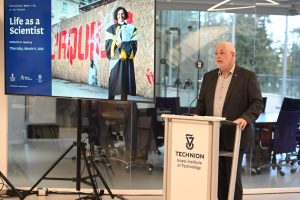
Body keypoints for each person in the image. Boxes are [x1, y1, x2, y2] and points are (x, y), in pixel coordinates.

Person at [196, 41, 263, 200]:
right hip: (212, 136)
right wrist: (196, 118)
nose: (218, 56)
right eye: (216, 53)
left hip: (235, 135)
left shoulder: (247, 77)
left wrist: (245, 118)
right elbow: (202, 103)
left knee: (232, 180)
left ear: (233, 55)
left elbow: (257, 102)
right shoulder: (209, 77)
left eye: (222, 52)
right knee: (218, 179)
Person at [105, 6, 138, 101]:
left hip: (125, 59)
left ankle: (124, 106)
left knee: (124, 83)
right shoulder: (110, 29)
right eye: (119, 14)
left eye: (122, 13)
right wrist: (115, 44)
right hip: (115, 59)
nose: (121, 16)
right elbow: (107, 43)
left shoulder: (132, 28)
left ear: (125, 15)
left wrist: (123, 44)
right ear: (116, 15)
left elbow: (134, 43)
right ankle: (109, 104)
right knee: (113, 82)